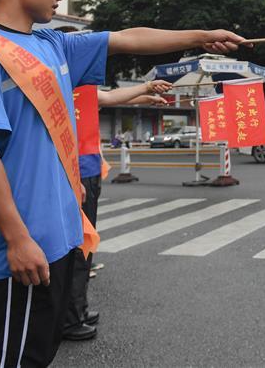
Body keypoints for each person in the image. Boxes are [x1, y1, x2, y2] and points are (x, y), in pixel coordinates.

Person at [0, 0, 245, 367]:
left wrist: (202, 37)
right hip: (27, 239)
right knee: (14, 358)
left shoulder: (52, 44)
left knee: (41, 352)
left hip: (62, 233)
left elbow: (128, 38)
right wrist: (16, 238)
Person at [62, 78, 173, 342]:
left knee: (85, 246)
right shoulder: (66, 85)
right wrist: (146, 90)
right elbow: (109, 98)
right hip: (77, 172)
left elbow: (111, 97)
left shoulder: (79, 87)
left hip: (88, 170)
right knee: (79, 246)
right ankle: (69, 317)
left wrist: (146, 96)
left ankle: (77, 309)